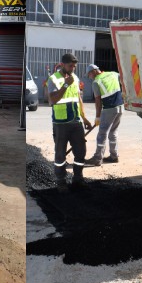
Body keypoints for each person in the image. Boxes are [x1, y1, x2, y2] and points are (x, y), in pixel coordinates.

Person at [48, 53, 93, 191]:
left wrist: (84, 117)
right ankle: (61, 181)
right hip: (61, 123)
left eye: (74, 66)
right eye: (70, 66)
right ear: (62, 65)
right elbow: (52, 100)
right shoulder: (53, 79)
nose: (73, 68)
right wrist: (66, 85)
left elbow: (78, 99)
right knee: (60, 153)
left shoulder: (75, 78)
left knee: (80, 152)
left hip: (76, 122)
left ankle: (78, 178)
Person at [84, 64, 124, 166]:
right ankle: (114, 156)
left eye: (89, 75)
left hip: (109, 109)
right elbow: (124, 80)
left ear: (93, 72)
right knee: (113, 132)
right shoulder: (113, 74)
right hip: (120, 107)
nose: (89, 77)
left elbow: (98, 101)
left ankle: (97, 158)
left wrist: (98, 117)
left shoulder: (96, 82)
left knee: (102, 133)